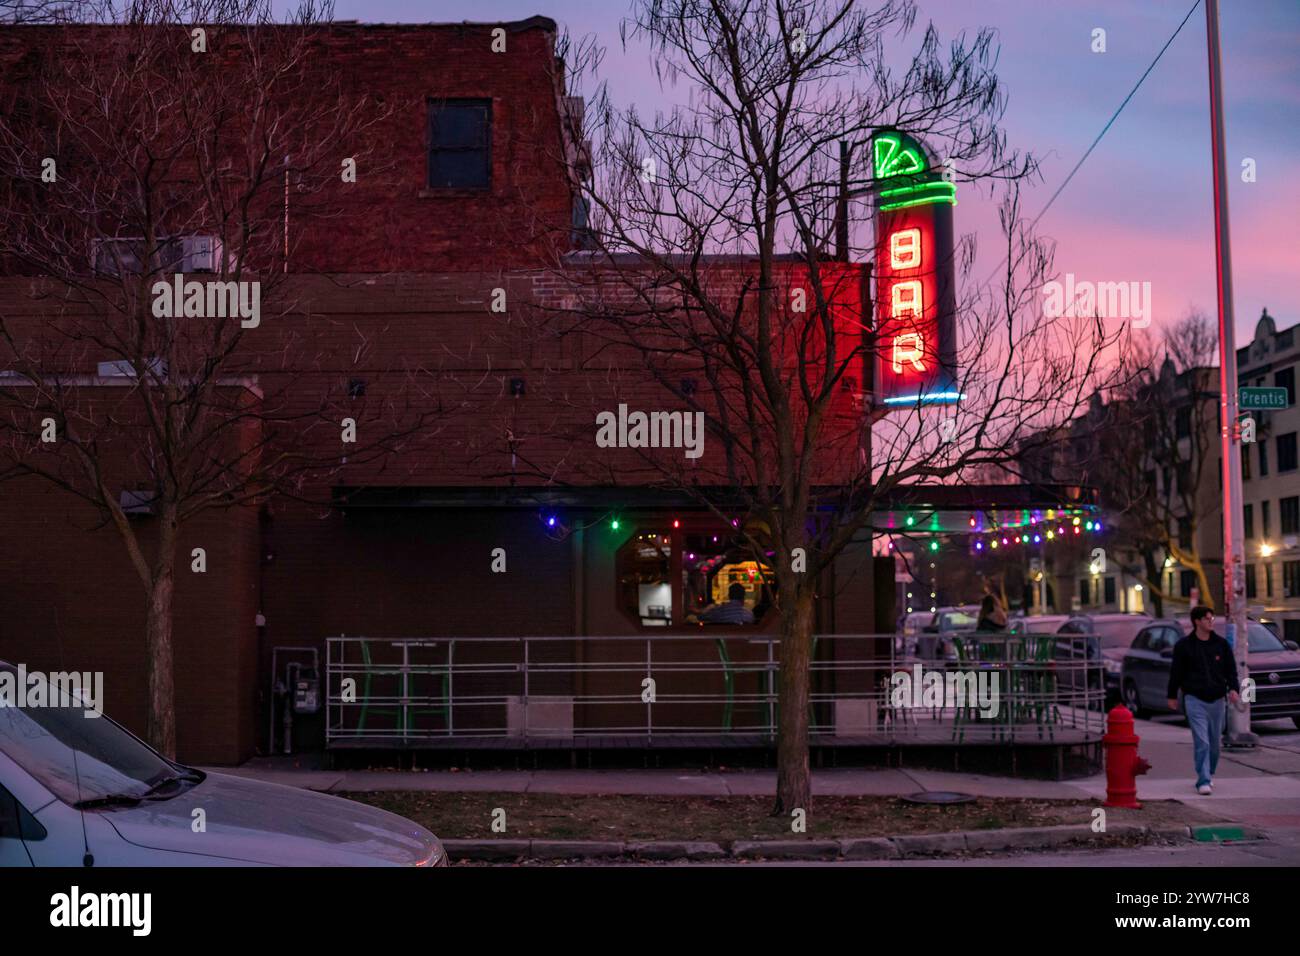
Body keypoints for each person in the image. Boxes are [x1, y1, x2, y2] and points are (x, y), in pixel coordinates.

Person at [1167, 606, 1240, 795]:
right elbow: (1176, 672)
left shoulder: (1221, 645)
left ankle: (1209, 771)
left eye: (1211, 618)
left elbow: (1231, 670)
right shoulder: (1184, 646)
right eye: (1207, 619)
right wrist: (1172, 695)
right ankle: (1203, 780)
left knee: (1215, 743)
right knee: (1202, 741)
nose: (1211, 622)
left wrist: (1233, 689)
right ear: (1197, 621)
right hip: (1194, 699)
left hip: (1216, 699)